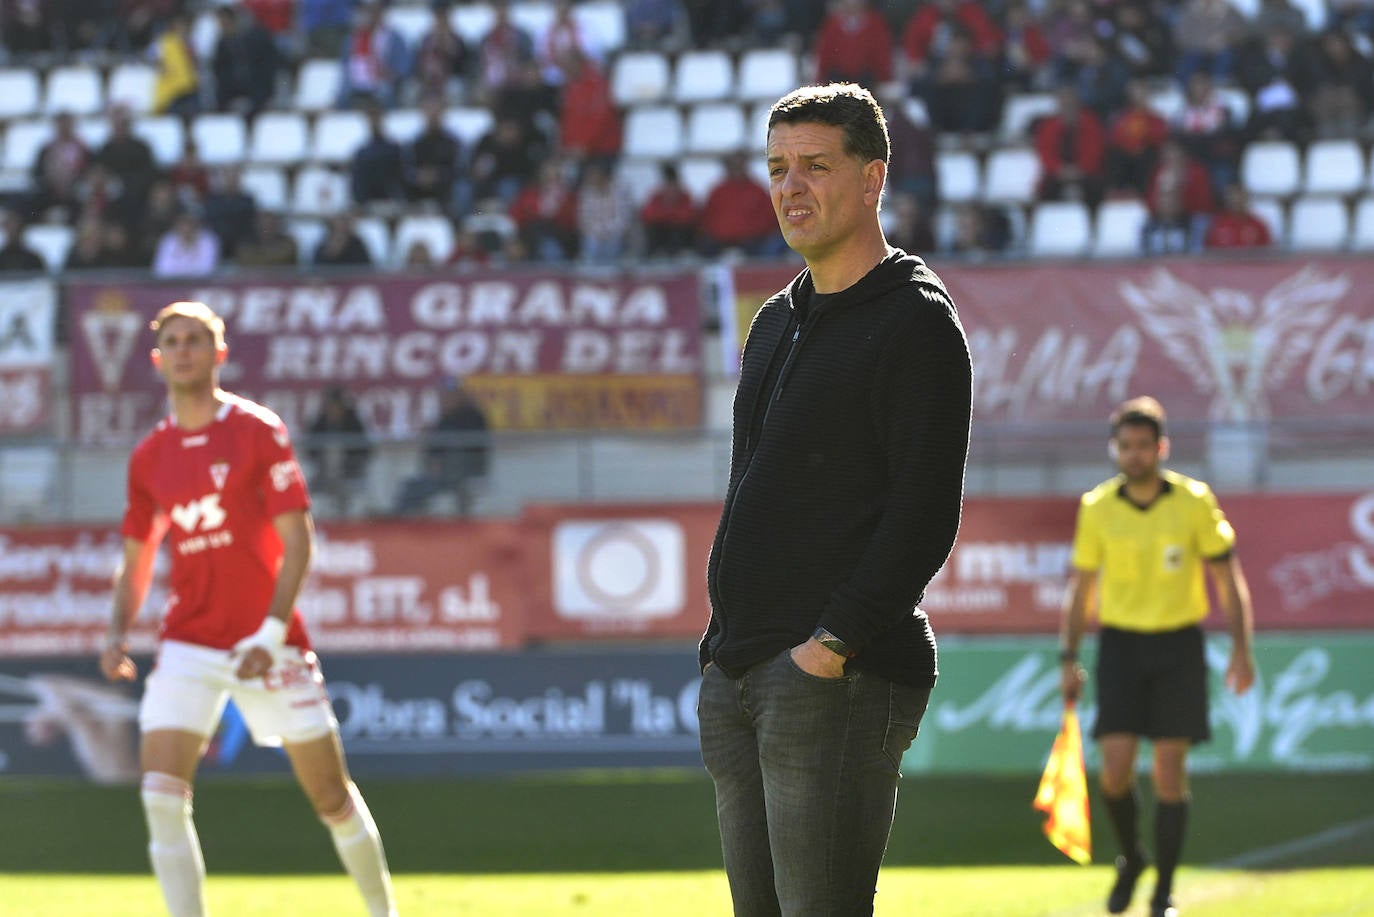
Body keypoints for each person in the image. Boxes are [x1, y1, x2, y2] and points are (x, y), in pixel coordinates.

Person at [698, 83, 973, 917]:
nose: (791, 187)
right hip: (741, 670)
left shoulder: (916, 321)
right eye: (778, 167)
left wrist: (832, 643)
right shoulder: (775, 321)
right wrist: (719, 650)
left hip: (834, 676)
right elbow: (753, 490)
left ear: (872, 178)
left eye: (816, 166)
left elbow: (925, 512)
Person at [99, 301, 397, 917]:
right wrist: (116, 632)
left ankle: (383, 913)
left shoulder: (258, 431)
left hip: (269, 642)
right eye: (173, 341)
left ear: (219, 353)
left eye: (196, 340)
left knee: (331, 799)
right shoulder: (149, 457)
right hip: (188, 641)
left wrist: (270, 630)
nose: (184, 350)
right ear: (158, 360)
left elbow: (299, 542)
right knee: (159, 794)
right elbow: (138, 557)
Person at [1059, 396, 1256, 917]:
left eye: (1144, 445)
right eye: (1126, 446)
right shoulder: (1097, 507)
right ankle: (1133, 856)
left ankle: (1163, 891)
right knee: (1114, 770)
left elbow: (1228, 579)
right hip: (1121, 647)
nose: (1135, 454)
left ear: (1161, 447)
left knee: (1170, 770)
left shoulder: (1193, 501)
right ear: (1115, 449)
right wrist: (1068, 656)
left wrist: (1241, 648)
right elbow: (1080, 590)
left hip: (1178, 647)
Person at [393, 377, 491, 517]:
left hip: (465, 471)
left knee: (420, 486)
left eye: (450, 394)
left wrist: (441, 463)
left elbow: (465, 443)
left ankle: (398, 519)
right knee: (411, 485)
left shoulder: (473, 416)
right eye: (443, 394)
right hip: (443, 473)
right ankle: (399, 519)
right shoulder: (443, 418)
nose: (445, 398)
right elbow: (434, 447)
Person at [304, 385, 373, 517]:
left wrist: (351, 467)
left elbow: (365, 450)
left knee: (356, 503)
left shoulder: (354, 423)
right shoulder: (320, 423)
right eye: (330, 406)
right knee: (310, 498)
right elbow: (310, 450)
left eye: (336, 406)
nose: (334, 410)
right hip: (323, 475)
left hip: (351, 473)